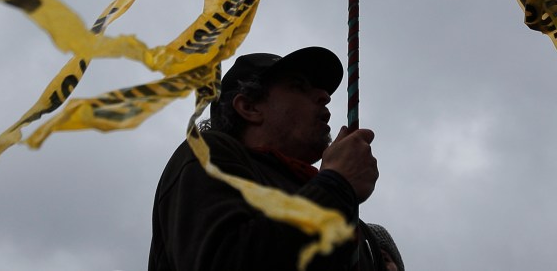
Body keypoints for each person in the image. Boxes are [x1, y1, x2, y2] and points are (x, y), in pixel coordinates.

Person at [148, 47, 385, 270]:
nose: (325, 96)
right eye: (299, 86)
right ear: (249, 107)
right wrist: (336, 184)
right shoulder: (206, 154)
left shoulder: (346, 214)